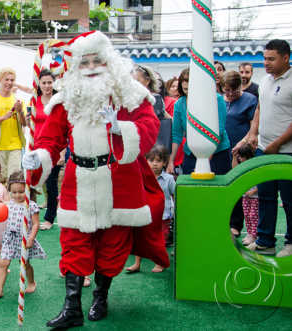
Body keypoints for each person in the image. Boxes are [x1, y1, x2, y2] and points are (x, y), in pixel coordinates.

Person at [22, 30, 168, 328]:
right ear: (76, 66)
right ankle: (72, 307)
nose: (90, 67)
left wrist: (120, 128)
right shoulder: (65, 100)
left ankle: (100, 297)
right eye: (84, 62)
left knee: (113, 244)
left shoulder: (131, 95)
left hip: (119, 181)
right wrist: (38, 157)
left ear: (109, 61)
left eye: (96, 61)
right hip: (79, 180)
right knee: (74, 241)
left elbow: (149, 127)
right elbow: (50, 139)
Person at [235, 39, 292, 257]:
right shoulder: (265, 81)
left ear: (285, 58)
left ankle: (291, 243)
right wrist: (252, 133)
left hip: (288, 151)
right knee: (266, 196)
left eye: (271, 59)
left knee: (290, 200)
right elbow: (260, 107)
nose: (266, 63)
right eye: (265, 58)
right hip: (263, 148)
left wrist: (277, 144)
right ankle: (265, 240)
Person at [0, 170, 46, 301]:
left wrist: (31, 238)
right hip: (9, 238)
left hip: (24, 239)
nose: (17, 195)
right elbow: (0, 212)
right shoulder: (9, 203)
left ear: (28, 190)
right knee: (3, 263)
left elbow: (36, 224)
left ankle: (31, 282)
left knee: (24, 263)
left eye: (21, 192)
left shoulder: (31, 206)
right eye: (13, 192)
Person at [167, 68, 231, 176]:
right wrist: (171, 161)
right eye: (185, 90)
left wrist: (207, 154)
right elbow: (176, 134)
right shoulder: (179, 104)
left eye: (191, 89)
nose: (189, 93)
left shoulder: (216, 99)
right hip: (191, 152)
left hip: (217, 153)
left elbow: (219, 129)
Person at [126, 145, 175, 273]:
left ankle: (160, 263)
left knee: (159, 240)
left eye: (158, 161)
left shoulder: (168, 179)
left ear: (164, 163)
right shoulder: (141, 177)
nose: (154, 164)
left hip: (163, 216)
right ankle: (137, 263)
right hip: (145, 215)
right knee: (140, 238)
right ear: (145, 161)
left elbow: (174, 195)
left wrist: (175, 211)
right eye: (151, 161)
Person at [29, 69, 66, 231]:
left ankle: (50, 218)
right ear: (39, 84)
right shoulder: (34, 101)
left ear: (54, 83)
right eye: (43, 82)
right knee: (31, 182)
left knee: (51, 184)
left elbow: (64, 128)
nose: (47, 85)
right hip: (36, 148)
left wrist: (63, 152)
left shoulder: (59, 102)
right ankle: (31, 215)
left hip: (55, 149)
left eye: (49, 82)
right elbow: (27, 124)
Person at [222, 70, 258, 237]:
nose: (229, 94)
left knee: (239, 187)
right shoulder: (219, 100)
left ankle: (236, 224)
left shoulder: (249, 100)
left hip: (241, 151)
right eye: (226, 90)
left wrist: (242, 142)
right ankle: (222, 221)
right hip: (223, 149)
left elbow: (254, 127)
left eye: (233, 90)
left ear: (240, 86)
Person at [0, 68, 26, 184]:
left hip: (15, 146)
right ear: (0, 80)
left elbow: (24, 124)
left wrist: (20, 112)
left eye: (12, 80)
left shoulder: (18, 101)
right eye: (6, 79)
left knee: (14, 180)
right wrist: (3, 118)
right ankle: (0, 202)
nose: (9, 82)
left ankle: (12, 202)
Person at [233, 143, 259, 246]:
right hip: (246, 196)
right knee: (247, 215)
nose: (240, 159)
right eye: (239, 157)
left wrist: (253, 191)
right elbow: (235, 170)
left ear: (248, 156)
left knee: (254, 216)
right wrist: (234, 157)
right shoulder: (243, 166)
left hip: (255, 197)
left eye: (242, 157)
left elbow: (261, 182)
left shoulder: (255, 167)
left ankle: (254, 235)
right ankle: (250, 234)